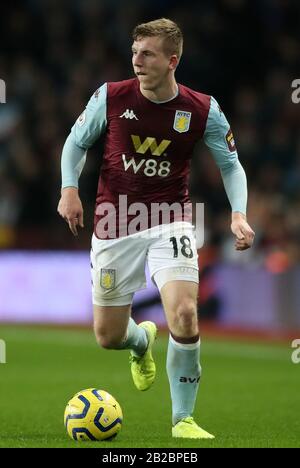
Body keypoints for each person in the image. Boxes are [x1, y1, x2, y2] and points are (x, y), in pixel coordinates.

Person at [58, 18, 255, 439]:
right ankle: (140, 342)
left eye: (146, 54)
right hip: (115, 220)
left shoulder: (203, 109)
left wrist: (238, 213)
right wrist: (69, 189)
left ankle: (183, 419)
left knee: (184, 313)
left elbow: (230, 165)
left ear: (172, 60)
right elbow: (76, 143)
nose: (136, 61)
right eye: (134, 53)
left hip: (171, 218)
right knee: (108, 336)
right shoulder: (111, 97)